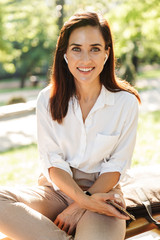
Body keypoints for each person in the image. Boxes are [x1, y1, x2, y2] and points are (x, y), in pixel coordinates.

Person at [0, 11, 140, 240]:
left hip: (102, 194)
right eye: (76, 49)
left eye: (95, 48)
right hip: (56, 191)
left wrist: (78, 208)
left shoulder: (125, 103)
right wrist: (80, 201)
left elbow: (116, 166)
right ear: (64, 54)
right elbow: (52, 161)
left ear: (107, 53)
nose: (85, 59)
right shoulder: (48, 99)